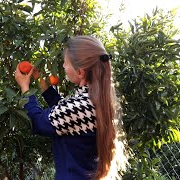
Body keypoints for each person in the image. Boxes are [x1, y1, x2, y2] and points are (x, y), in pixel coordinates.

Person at [15, 35, 125, 179]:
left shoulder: (82, 106)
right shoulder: (93, 100)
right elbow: (65, 112)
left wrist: (25, 88)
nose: (63, 66)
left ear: (80, 72)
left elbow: (39, 122)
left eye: (65, 63)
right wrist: (42, 82)